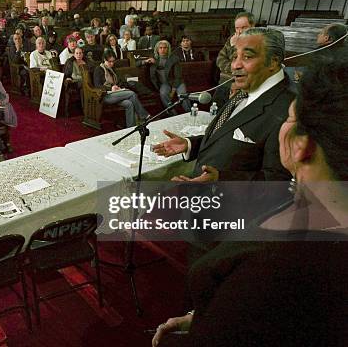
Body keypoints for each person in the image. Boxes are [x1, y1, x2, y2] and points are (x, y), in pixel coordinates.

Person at [152, 56, 348, 347]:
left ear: (302, 146)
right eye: (234, 54)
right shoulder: (232, 95)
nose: (235, 65)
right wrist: (204, 315)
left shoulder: (268, 268)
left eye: (292, 120)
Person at [153, 28, 294, 182]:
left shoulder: (291, 110)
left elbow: (277, 181)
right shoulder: (247, 89)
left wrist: (221, 180)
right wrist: (189, 144)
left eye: (247, 57)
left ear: (273, 61)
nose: (235, 65)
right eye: (234, 57)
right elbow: (226, 138)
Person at [93, 50, 149, 127]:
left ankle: (130, 127)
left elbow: (117, 81)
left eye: (113, 61)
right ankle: (144, 116)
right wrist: (111, 88)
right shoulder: (98, 69)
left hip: (116, 94)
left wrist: (119, 86)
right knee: (132, 94)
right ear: (104, 60)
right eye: (110, 61)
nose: (112, 64)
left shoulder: (112, 69)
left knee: (129, 103)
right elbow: (97, 85)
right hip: (105, 95)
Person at [147, 40, 190, 113]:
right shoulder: (154, 59)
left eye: (165, 48)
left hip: (177, 82)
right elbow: (137, 63)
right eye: (160, 48)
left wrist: (173, 91)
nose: (162, 50)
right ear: (157, 49)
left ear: (168, 49)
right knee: (163, 93)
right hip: (165, 83)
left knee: (182, 95)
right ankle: (172, 113)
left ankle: (189, 112)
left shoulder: (174, 58)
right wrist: (145, 61)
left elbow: (178, 76)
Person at [216, 12, 255, 83]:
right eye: (237, 28)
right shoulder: (232, 38)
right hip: (225, 80)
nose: (239, 32)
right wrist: (233, 69)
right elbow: (219, 60)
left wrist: (234, 46)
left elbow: (239, 65)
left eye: (244, 28)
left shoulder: (257, 42)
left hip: (244, 82)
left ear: (252, 26)